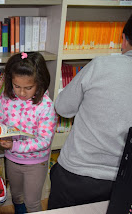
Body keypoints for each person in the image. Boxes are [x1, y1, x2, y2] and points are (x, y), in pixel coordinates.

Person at [48, 14, 132, 210]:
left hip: (76, 174)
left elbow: (63, 108)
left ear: (124, 39)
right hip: (124, 181)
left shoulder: (101, 65)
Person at [0, 52, 57, 213]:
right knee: (16, 196)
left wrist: (15, 145)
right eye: (16, 86)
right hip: (12, 160)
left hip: (35, 163)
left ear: (40, 83)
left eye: (28, 88)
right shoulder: (6, 97)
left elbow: (44, 141)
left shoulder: (46, 106)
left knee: (32, 202)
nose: (21, 93)